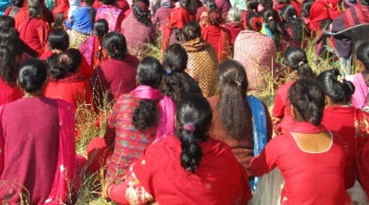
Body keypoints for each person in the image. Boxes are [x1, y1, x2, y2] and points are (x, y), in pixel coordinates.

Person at [122, 94, 252, 205]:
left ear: (175, 121)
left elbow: (133, 194)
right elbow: (239, 195)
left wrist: (109, 190)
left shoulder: (158, 153)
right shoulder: (224, 155)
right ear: (209, 124)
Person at [0, 59, 77, 205]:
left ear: (19, 83)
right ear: (46, 81)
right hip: (51, 196)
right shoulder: (63, 110)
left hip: (9, 196)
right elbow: (67, 157)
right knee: (80, 162)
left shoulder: (1, 113)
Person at [250, 78, 349, 205]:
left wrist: (261, 155)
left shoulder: (282, 144)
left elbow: (256, 169)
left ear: (292, 109)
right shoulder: (338, 141)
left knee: (273, 173)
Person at [102, 57, 175, 200]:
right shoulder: (168, 107)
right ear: (161, 81)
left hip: (117, 181)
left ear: (137, 79)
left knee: (96, 146)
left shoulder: (123, 100)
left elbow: (108, 138)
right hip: (152, 185)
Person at [207, 60, 271, 179]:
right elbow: (267, 139)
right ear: (244, 83)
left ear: (219, 84)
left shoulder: (208, 106)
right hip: (252, 174)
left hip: (219, 175)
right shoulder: (258, 107)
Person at [318, 68, 369, 191]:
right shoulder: (365, 117)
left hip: (329, 186)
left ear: (325, 97)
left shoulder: (319, 120)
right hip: (363, 186)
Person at [272, 46, 315, 134]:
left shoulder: (284, 90)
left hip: (291, 132)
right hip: (317, 128)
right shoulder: (319, 85)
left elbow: (276, 115)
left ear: (288, 68)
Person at [233, 11, 278, 94]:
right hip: (264, 83)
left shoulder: (239, 38)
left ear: (246, 24)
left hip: (242, 82)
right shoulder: (268, 41)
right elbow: (274, 61)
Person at [91, 32, 139, 107]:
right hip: (137, 104)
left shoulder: (103, 69)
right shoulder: (135, 60)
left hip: (117, 110)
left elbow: (94, 92)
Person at [181, 21, 219, 97]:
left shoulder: (183, 52)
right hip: (212, 93)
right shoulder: (210, 47)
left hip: (194, 98)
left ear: (184, 36)